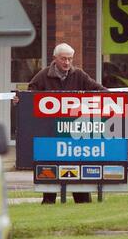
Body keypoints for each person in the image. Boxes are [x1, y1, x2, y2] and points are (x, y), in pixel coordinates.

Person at [14, 42, 107, 204]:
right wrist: (19, 101)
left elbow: (99, 89)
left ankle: (83, 200)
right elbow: (28, 97)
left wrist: (119, 97)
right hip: (50, 134)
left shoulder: (79, 75)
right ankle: (48, 200)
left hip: (74, 134)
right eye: (63, 59)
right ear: (55, 58)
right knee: (50, 168)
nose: (67, 63)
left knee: (78, 169)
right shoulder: (42, 76)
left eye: (70, 59)